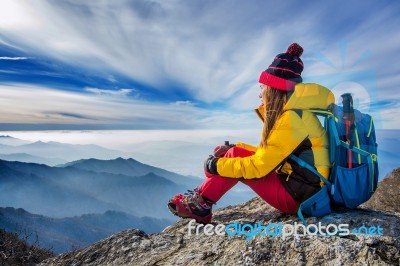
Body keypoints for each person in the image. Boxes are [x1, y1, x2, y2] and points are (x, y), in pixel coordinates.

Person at [168, 43, 334, 224]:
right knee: (234, 154)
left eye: (262, 88)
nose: (260, 94)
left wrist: (215, 166)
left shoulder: (291, 119)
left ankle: (200, 206)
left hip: (301, 197)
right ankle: (202, 202)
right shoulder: (295, 113)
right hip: (300, 186)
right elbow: (272, 153)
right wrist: (235, 148)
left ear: (273, 89)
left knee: (235, 164)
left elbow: (258, 166)